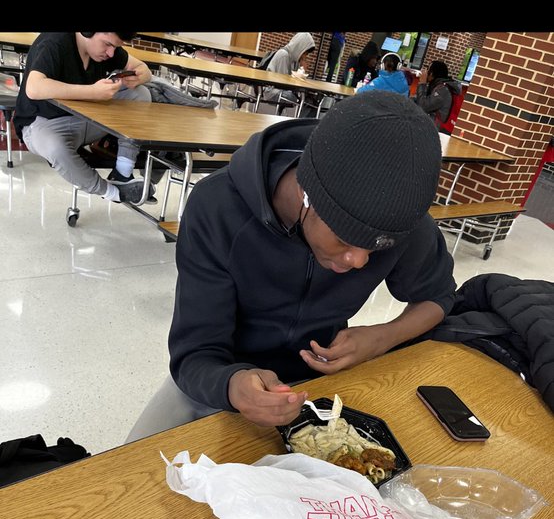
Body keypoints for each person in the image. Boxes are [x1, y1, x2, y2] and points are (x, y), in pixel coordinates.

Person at [126, 91, 456, 441]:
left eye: (378, 248)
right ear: (306, 195)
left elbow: (438, 297)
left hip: (324, 381)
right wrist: (234, 385)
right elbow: (194, 356)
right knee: (128, 477)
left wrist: (381, 337)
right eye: (345, 239)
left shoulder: (397, 217)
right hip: (218, 378)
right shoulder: (217, 208)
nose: (359, 260)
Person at [14, 32, 155, 207]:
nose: (111, 53)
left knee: (141, 94)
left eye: (116, 47)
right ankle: (113, 192)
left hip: (87, 118)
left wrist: (142, 75)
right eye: (107, 45)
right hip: (44, 123)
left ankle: (122, 173)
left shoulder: (107, 47)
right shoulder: (55, 40)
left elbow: (143, 68)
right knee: (56, 149)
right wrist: (93, 92)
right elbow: (34, 88)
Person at [259, 32, 316, 113]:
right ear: (299, 47)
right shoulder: (284, 55)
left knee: (309, 99)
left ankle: (302, 121)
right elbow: (283, 83)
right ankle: (299, 122)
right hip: (272, 92)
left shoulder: (295, 58)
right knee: (302, 99)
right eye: (304, 53)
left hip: (282, 90)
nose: (304, 56)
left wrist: (301, 69)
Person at [413, 60, 462, 130]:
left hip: (438, 130)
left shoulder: (443, 90)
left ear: (432, 74)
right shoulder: (437, 86)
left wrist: (422, 83)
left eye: (428, 70)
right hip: (433, 126)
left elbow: (423, 106)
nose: (426, 73)